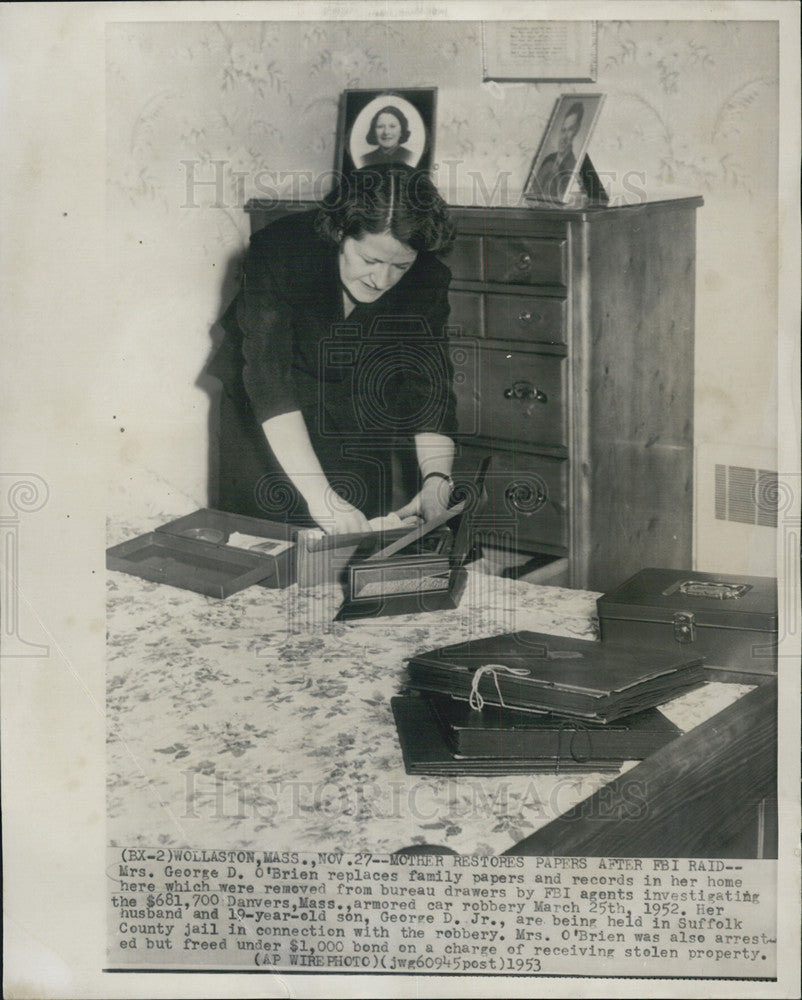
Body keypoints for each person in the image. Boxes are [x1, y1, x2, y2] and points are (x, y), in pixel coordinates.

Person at [207, 164, 458, 535]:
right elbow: (268, 379)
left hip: (354, 406)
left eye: (399, 266)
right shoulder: (279, 251)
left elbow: (429, 387)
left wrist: (437, 480)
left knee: (354, 544)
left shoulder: (428, 276)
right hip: (264, 412)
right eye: (370, 261)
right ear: (340, 232)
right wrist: (319, 495)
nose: (382, 279)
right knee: (261, 546)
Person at [535, 101, 584, 201]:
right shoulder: (548, 159)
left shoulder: (573, 167)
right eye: (563, 130)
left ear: (577, 130)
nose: (563, 137)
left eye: (570, 130)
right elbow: (533, 192)